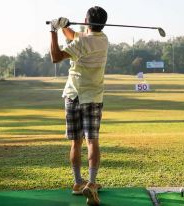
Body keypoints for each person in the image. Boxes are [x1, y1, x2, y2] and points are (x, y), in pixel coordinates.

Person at [49, 6, 108, 206]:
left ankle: (77, 182)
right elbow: (75, 36)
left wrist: (53, 31)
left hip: (73, 96)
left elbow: (56, 57)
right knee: (92, 141)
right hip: (92, 97)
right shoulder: (103, 40)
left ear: (85, 20)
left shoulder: (81, 41)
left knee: (76, 142)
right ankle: (90, 183)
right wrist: (65, 26)